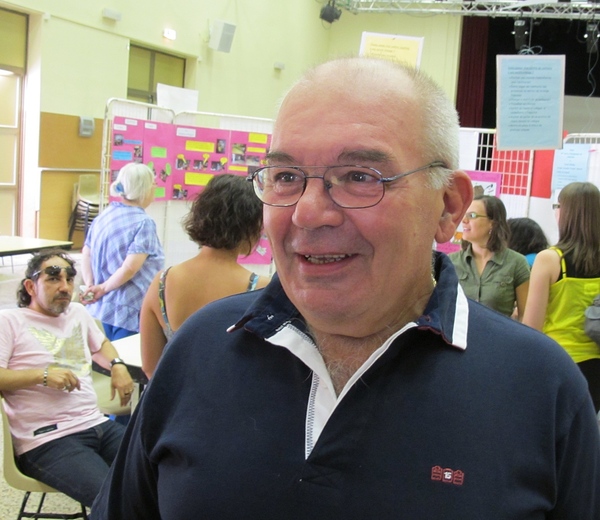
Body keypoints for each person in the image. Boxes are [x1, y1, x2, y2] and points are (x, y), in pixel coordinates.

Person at [91, 58, 600, 519]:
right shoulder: (202, 347)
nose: (308, 212)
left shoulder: (540, 389)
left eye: (359, 176)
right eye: (286, 175)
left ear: (447, 206)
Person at [0, 249, 135, 508]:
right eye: (53, 278)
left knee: (159, 474)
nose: (64, 287)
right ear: (30, 286)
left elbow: (101, 344)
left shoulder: (78, 313)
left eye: (69, 279)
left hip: (97, 424)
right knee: (115, 500)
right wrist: (42, 375)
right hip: (47, 439)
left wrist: (117, 365)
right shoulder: (9, 322)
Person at [140, 174, 270, 378]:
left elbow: (150, 367)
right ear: (252, 226)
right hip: (232, 402)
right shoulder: (260, 289)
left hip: (177, 403)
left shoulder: (162, 282)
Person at [523, 181, 600, 413]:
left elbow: (531, 327)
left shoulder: (550, 259)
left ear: (566, 213)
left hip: (557, 363)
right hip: (596, 367)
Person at [81, 162, 164, 341]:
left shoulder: (104, 215)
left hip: (102, 307)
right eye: (153, 185)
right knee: (129, 361)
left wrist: (91, 285)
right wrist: (102, 288)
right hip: (129, 308)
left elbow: (86, 253)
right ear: (144, 189)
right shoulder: (143, 223)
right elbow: (130, 267)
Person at [449, 195, 530, 319]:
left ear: (492, 223)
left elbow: (525, 316)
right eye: (464, 215)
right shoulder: (451, 262)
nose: (464, 220)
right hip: (458, 337)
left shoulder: (517, 263)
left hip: (499, 336)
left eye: (472, 216)